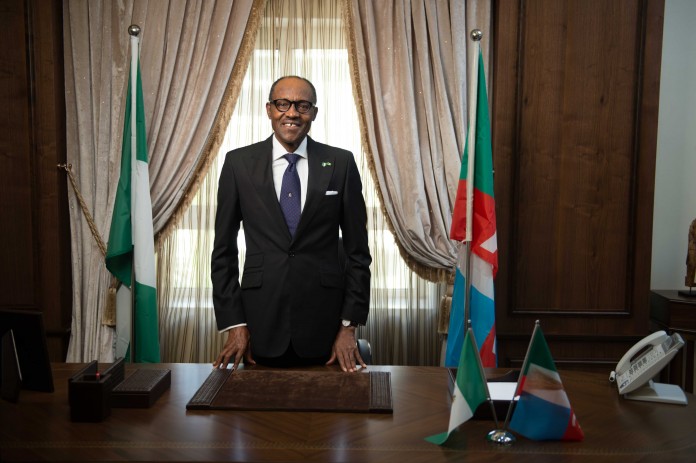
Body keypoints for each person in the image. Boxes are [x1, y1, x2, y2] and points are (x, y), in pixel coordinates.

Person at [211, 76, 372, 373]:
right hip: (258, 327)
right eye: (283, 104)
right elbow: (223, 252)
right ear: (269, 109)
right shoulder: (238, 164)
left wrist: (348, 326)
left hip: (326, 330)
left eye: (302, 106)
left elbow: (358, 254)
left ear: (314, 113)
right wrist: (235, 324)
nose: (292, 113)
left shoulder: (341, 163)